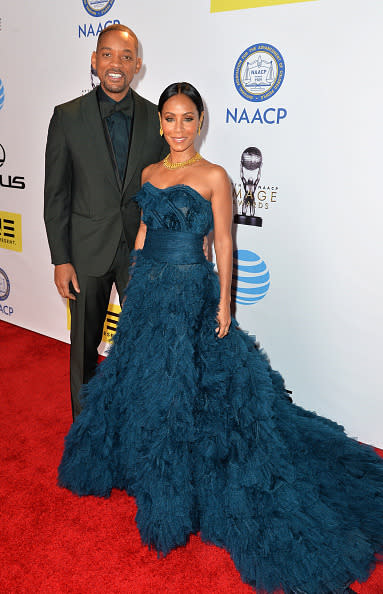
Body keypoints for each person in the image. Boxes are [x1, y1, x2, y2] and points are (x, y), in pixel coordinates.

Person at [58, 82, 383, 594]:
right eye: (170, 118)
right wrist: (131, 290)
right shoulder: (150, 173)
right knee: (143, 383)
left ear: (201, 122)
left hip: (192, 292)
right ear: (160, 122)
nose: (178, 128)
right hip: (148, 293)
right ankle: (141, 466)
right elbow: (143, 233)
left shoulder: (214, 176)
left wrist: (225, 301)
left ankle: (182, 483)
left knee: (190, 389)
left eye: (188, 119)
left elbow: (225, 242)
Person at [44, 24, 168, 420]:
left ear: (138, 66)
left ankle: (138, 424)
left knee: (145, 342)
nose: (117, 64)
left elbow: (165, 187)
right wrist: (61, 259)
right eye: (109, 54)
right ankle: (86, 429)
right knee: (83, 346)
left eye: (126, 57)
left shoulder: (156, 119)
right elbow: (56, 194)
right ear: (94, 60)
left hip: (141, 252)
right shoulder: (67, 117)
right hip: (85, 251)